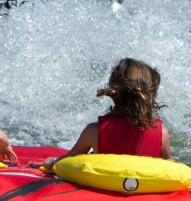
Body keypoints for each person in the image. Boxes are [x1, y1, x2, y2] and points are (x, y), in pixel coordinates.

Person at [42, 58, 171, 169]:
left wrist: (51, 162)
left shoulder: (94, 131)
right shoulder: (161, 134)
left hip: (102, 194)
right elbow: (170, 167)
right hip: (142, 194)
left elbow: (65, 162)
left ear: (113, 90)